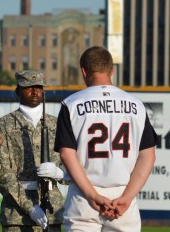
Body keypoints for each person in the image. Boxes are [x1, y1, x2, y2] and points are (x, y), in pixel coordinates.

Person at [54, 46, 157, 231]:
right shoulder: (136, 105)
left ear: (84, 71)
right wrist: (126, 198)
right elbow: (148, 156)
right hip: (123, 195)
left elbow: (67, 154)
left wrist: (92, 195)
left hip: (83, 196)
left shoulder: (71, 104)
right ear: (112, 70)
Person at [0, 69, 64, 232]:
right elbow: (1, 172)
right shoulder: (4, 125)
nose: (35, 92)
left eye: (38, 87)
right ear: (18, 91)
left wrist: (59, 173)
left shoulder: (55, 125)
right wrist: (29, 207)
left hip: (50, 212)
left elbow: (70, 162)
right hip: (17, 216)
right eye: (28, 87)